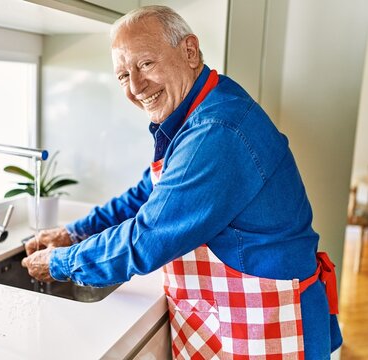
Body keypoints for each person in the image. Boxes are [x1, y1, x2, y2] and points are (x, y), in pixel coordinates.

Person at [21, 5, 342, 359]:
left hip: (270, 324)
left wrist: (60, 263)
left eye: (145, 64)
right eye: (123, 75)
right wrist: (73, 233)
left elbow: (146, 239)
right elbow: (145, 193)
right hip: (245, 317)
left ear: (189, 51)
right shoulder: (198, 111)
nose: (136, 86)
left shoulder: (216, 133)